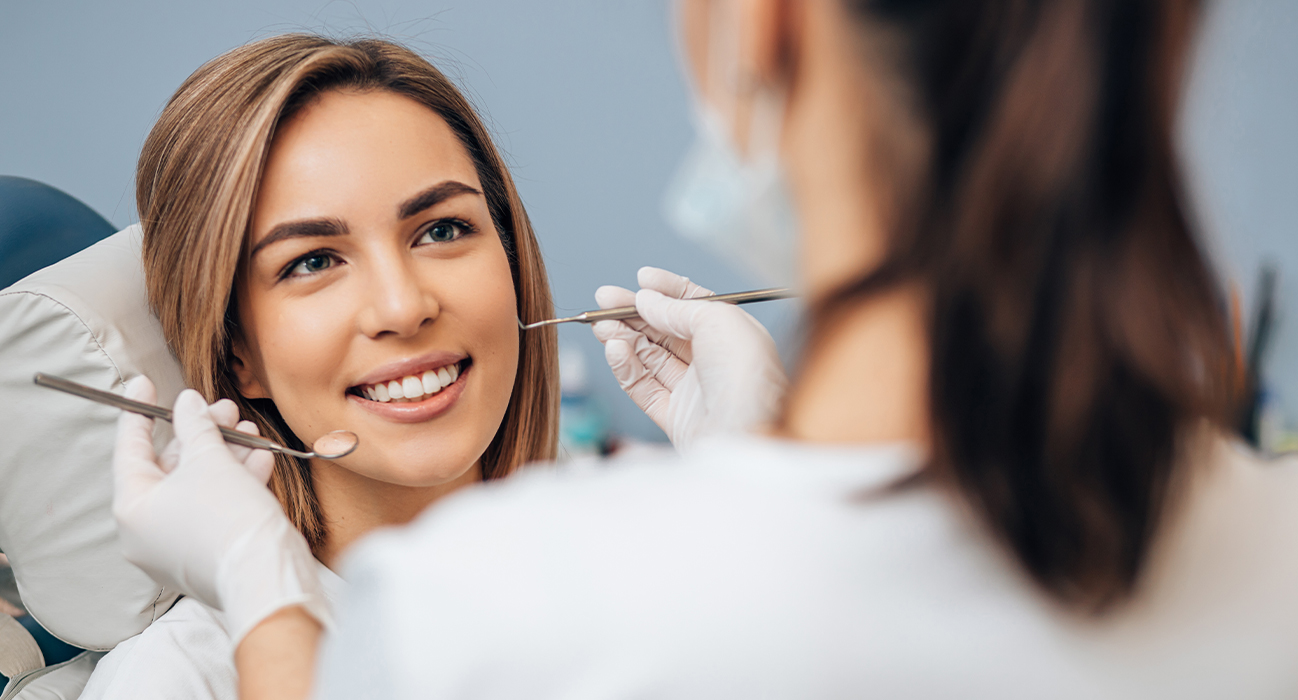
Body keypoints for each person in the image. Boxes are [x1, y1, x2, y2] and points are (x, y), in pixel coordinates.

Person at [112, 0, 1298, 697]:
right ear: (235, 352)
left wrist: (263, 584)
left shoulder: (510, 600)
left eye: (442, 227)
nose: (404, 300)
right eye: (311, 260)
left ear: (756, 32)